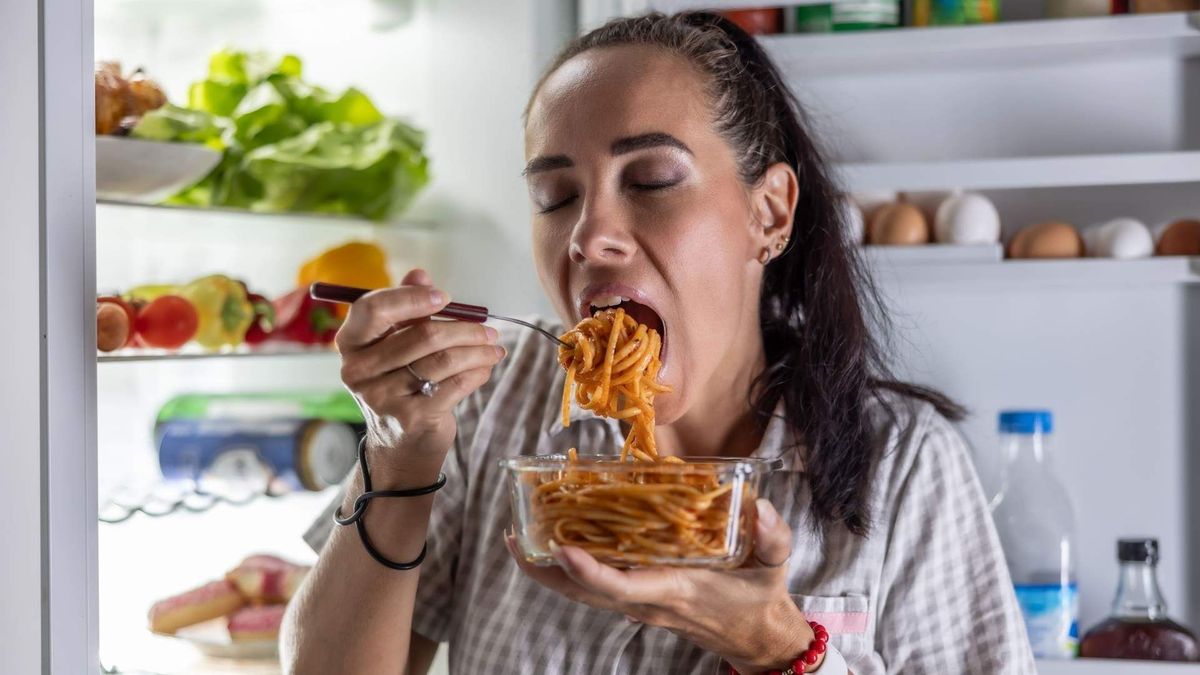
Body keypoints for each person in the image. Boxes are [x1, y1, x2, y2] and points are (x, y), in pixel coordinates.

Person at [281, 12, 1035, 675]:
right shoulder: (481, 410)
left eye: (650, 180)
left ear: (770, 213)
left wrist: (776, 646)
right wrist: (400, 453)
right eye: (556, 196)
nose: (589, 236)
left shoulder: (904, 464)